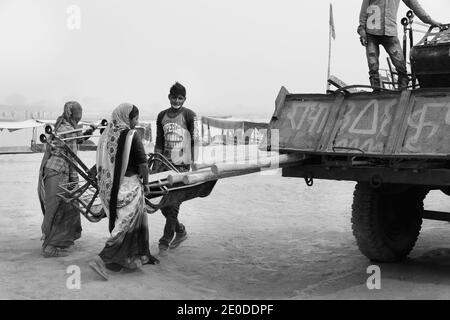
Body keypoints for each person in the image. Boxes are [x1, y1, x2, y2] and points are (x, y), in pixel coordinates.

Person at [89, 103, 159, 280]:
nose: (136, 122)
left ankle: (125, 259)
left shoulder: (107, 134)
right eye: (134, 118)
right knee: (125, 224)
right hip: (129, 186)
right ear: (127, 118)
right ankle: (102, 258)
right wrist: (147, 183)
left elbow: (102, 161)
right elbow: (143, 164)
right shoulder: (131, 136)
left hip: (111, 188)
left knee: (121, 222)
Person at [38, 101, 96, 257]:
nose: (81, 115)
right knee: (57, 207)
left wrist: (90, 131)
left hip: (54, 170)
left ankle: (52, 238)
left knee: (61, 206)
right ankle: (50, 247)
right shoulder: (67, 129)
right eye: (79, 112)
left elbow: (78, 139)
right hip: (58, 171)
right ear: (72, 114)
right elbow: (74, 148)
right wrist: (74, 180)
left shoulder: (62, 126)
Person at [154, 82, 199, 256]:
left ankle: (164, 242)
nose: (177, 100)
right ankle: (180, 230)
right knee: (164, 205)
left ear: (185, 99)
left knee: (173, 204)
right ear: (169, 97)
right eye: (174, 97)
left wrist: (194, 163)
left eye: (180, 98)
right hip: (164, 164)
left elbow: (195, 141)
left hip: (181, 166)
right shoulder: (161, 116)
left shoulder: (189, 115)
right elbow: (159, 141)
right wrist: (156, 159)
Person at [357, 0, 441, 90]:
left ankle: (402, 91)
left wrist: (429, 20)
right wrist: (362, 29)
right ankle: (376, 91)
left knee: (400, 66)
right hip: (371, 32)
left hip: (390, 33)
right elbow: (364, 9)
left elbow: (414, 5)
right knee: (373, 66)